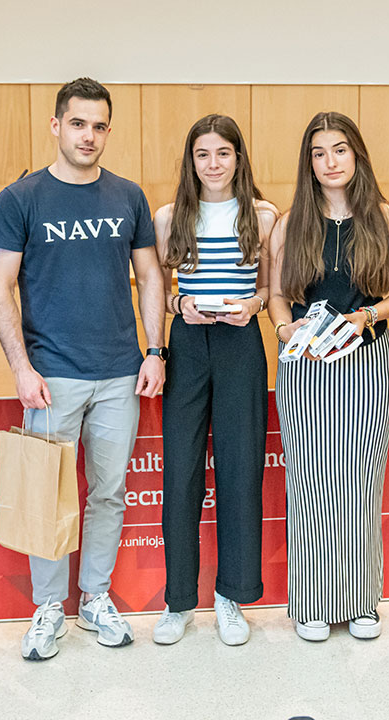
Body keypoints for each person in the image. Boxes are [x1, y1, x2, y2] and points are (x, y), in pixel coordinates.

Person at [0, 77, 165, 660]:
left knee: (108, 494)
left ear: (108, 131)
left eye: (99, 126)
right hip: (51, 375)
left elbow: (152, 279)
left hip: (119, 372)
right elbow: (0, 287)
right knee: (49, 494)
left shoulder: (127, 196)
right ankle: (47, 607)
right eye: (78, 123)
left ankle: (93, 598)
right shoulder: (22, 199)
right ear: (56, 125)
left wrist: (155, 350)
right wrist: (20, 367)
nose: (89, 135)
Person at [268, 111, 389, 642]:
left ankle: (362, 601)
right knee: (309, 484)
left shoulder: (386, 217)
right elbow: (277, 293)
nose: (331, 161)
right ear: (309, 162)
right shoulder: (289, 222)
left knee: (359, 481)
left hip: (366, 360)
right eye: (319, 152)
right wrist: (285, 330)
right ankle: (310, 604)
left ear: (357, 155)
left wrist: (366, 316)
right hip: (304, 365)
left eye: (340, 150)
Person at [151, 114, 279, 646]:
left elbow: (272, 289)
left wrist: (249, 305)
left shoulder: (264, 215)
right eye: (203, 154)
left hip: (240, 344)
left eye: (223, 153)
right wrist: (183, 305)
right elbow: (157, 289)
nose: (213, 164)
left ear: (238, 157)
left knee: (240, 467)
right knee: (181, 469)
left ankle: (231, 594)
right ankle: (179, 599)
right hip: (187, 343)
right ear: (191, 160)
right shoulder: (168, 216)